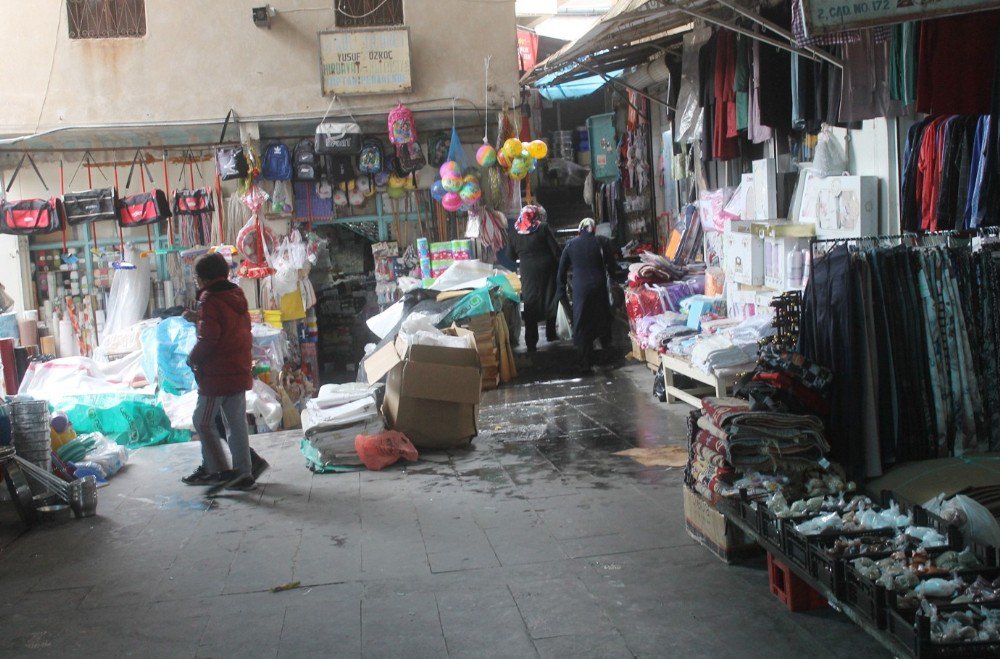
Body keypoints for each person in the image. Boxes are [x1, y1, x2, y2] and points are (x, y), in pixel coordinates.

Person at [181, 253, 263, 491]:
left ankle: (218, 471)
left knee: (202, 421)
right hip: (238, 369)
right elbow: (226, 327)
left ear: (204, 278)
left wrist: (192, 358)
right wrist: (198, 318)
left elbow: (209, 340)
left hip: (217, 375)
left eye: (197, 276)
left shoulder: (209, 300)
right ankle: (244, 473)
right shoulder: (235, 295)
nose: (196, 281)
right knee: (236, 424)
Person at [557, 218, 615, 372]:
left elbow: (561, 271)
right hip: (599, 287)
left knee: (582, 323)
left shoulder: (570, 245)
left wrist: (561, 291)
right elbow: (612, 266)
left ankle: (585, 362)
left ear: (579, 230)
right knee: (602, 319)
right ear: (594, 229)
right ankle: (607, 358)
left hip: (580, 290)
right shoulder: (602, 242)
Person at [507, 204, 560, 351]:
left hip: (528, 272)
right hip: (547, 270)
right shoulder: (543, 228)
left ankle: (531, 342)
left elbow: (510, 255)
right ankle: (551, 333)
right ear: (536, 215)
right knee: (549, 298)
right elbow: (556, 250)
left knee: (530, 302)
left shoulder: (515, 232)